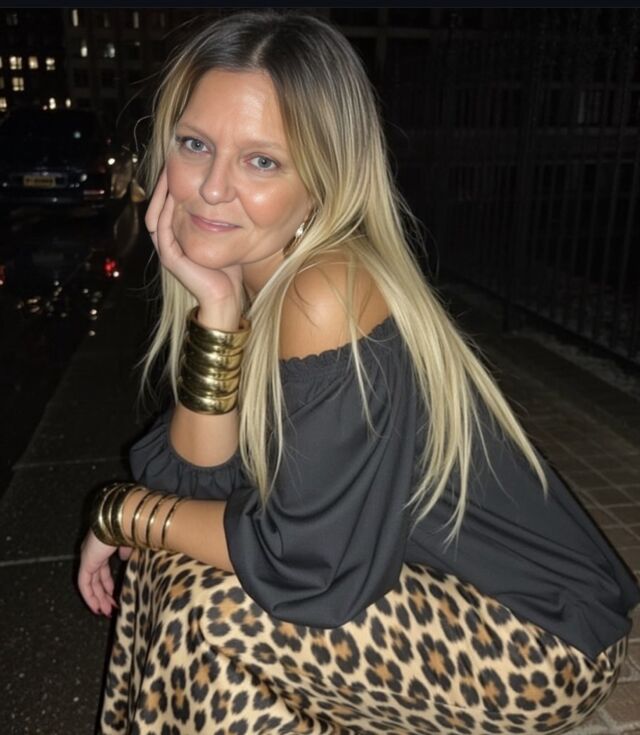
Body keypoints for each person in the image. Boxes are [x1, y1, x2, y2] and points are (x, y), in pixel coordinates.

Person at [78, 10, 640, 735]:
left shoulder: (326, 291)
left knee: (208, 604)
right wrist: (216, 313)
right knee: (175, 559)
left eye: (261, 161)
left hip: (535, 637)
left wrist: (121, 511)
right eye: (195, 145)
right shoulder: (252, 280)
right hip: (414, 580)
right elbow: (196, 485)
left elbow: (303, 563)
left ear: (323, 180)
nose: (211, 188)